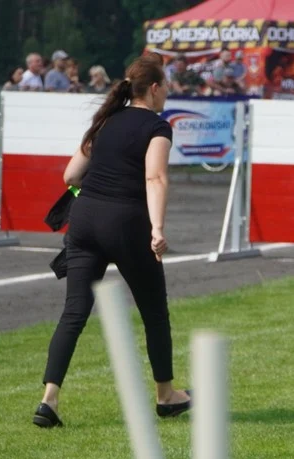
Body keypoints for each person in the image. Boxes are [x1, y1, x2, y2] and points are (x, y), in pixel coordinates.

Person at [34, 55, 191, 428]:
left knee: (74, 312)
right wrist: (157, 228)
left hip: (84, 220)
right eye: (165, 86)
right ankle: (166, 395)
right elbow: (155, 179)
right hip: (127, 223)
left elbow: (70, 174)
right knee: (154, 311)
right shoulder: (158, 127)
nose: (167, 92)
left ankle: (49, 400)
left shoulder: (105, 121)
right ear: (154, 89)